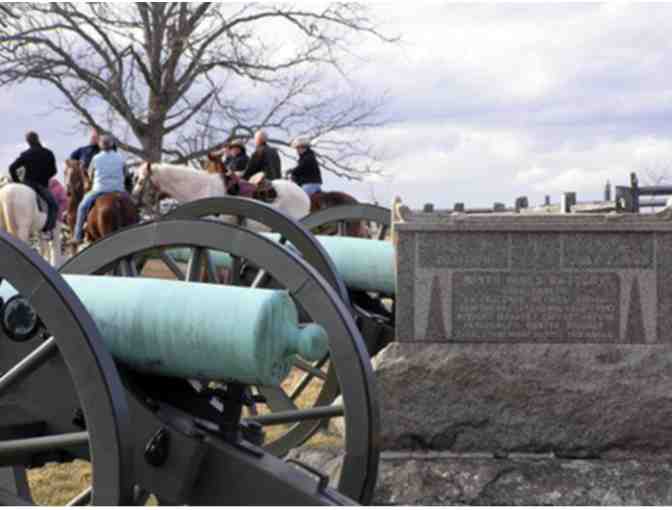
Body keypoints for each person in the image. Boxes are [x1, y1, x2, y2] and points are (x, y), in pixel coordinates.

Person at [73, 134, 126, 243]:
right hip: (119, 190)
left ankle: (77, 236)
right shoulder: (120, 157)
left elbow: (90, 174)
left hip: (99, 190)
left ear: (100, 145)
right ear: (112, 145)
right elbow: (126, 173)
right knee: (134, 206)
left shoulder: (96, 158)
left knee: (82, 207)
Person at [8, 131, 59, 233]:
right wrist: (45, 177)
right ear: (38, 139)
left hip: (27, 184)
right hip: (41, 185)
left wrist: (18, 182)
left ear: (28, 142)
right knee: (54, 206)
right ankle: (47, 229)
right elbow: (54, 171)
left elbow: (12, 167)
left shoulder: (25, 154)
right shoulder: (48, 153)